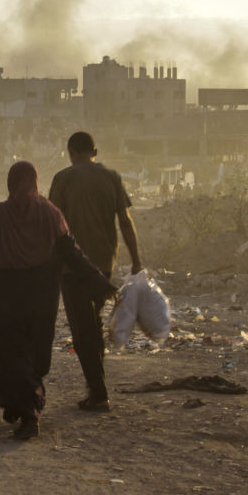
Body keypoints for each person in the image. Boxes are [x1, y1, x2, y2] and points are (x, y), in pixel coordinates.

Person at [0, 161, 109, 440]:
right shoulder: (50, 214)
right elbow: (73, 253)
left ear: (10, 183)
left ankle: (29, 413)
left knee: (10, 356)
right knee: (32, 359)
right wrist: (100, 283)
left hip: (5, 300)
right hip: (42, 301)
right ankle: (21, 406)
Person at [48, 131, 143, 413]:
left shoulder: (63, 178)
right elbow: (125, 222)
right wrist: (136, 260)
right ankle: (96, 388)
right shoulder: (112, 177)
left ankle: (99, 393)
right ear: (95, 151)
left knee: (83, 330)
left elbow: (53, 223)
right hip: (103, 265)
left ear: (70, 152)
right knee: (93, 324)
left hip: (73, 266)